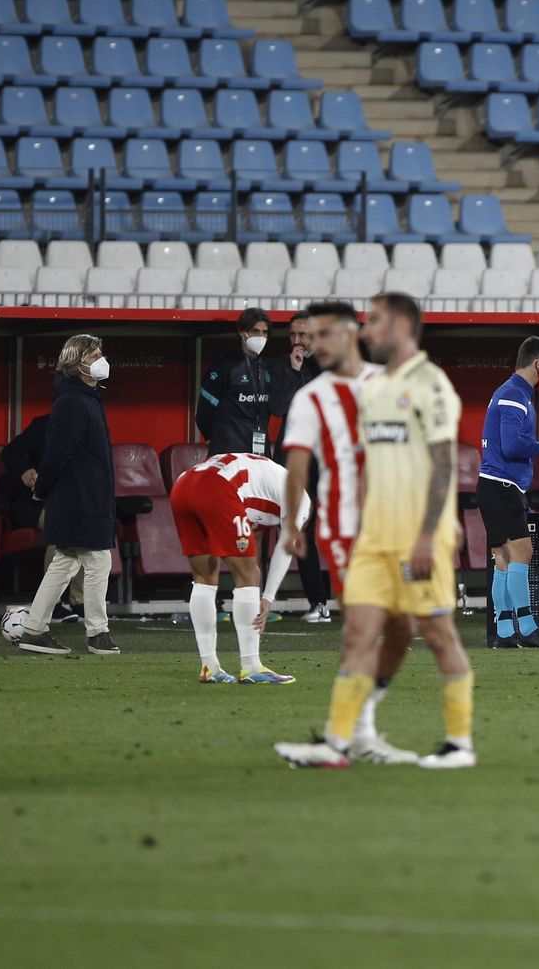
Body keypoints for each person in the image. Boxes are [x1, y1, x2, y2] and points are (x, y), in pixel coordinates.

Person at [276, 293, 477, 770]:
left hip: (415, 536)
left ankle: (458, 744)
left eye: (375, 322)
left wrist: (435, 529)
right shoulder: (370, 390)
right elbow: (368, 465)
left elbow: (443, 461)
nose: (368, 332)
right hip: (369, 538)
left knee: (433, 631)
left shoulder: (429, 384)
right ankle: (339, 741)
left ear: (401, 326)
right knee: (359, 634)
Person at [276, 302, 412, 762]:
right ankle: (342, 741)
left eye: (323, 334)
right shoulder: (309, 397)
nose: (314, 344)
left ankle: (361, 725)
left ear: (352, 333)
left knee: (400, 629)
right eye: (309, 337)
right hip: (345, 527)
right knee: (362, 628)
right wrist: (293, 522)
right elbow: (296, 466)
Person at [14, 335, 119, 657]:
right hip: (79, 498)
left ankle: (34, 629)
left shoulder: (83, 398)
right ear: (77, 363)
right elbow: (57, 453)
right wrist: (43, 490)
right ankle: (97, 633)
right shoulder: (74, 401)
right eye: (95, 354)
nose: (102, 359)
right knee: (98, 559)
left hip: (82, 496)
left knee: (65, 561)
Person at [171, 452, 306, 684]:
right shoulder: (301, 500)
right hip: (218, 488)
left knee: (204, 577)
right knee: (249, 574)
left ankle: (209, 667)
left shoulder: (268, 479)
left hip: (183, 485)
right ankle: (251, 667)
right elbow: (286, 549)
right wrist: (268, 597)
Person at [479, 337, 539, 648]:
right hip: (502, 486)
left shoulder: (511, 392)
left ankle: (505, 633)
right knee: (522, 553)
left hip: (493, 485)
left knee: (503, 558)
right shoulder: (514, 395)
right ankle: (529, 629)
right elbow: (512, 445)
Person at [269, 308, 331, 625]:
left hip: (318, 459)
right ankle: (267, 599)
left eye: (303, 335)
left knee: (312, 529)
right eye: (293, 335)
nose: (297, 341)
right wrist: (293, 373)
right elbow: (278, 407)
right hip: (287, 458)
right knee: (290, 527)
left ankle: (321, 601)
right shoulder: (282, 367)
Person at [0, 411, 83, 622]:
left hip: (72, 502)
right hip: (37, 502)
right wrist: (25, 470)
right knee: (62, 525)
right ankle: (51, 605)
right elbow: (10, 453)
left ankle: (80, 602)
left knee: (85, 526)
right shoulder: (44, 425)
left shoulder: (89, 428)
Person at [196, 306, 275, 457]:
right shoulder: (224, 367)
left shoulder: (268, 367)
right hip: (228, 453)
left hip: (260, 453)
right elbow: (203, 415)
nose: (260, 337)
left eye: (264, 332)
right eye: (254, 331)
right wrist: (221, 440)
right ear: (241, 332)